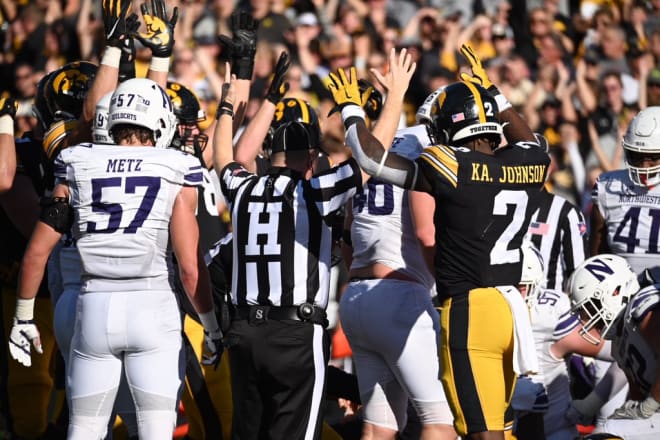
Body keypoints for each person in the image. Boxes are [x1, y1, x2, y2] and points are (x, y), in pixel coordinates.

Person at [329, 44, 550, 439]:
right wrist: (495, 96)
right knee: (496, 424)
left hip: (467, 309)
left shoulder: (447, 164)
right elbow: (530, 141)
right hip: (509, 305)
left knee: (464, 428)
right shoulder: (528, 162)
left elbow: (370, 158)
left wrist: (353, 111)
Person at [7, 77, 222, 440]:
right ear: (160, 121)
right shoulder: (175, 165)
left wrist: (23, 314)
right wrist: (212, 326)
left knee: (85, 428)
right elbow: (189, 266)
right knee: (153, 429)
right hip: (153, 305)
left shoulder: (77, 162)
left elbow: (38, 252)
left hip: (91, 304)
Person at [213, 64, 364, 440]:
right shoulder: (315, 191)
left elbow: (223, 159)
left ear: (270, 154)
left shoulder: (244, 189)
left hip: (244, 330)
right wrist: (354, 111)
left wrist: (227, 110)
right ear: (312, 156)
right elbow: (370, 160)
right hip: (295, 333)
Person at [339, 72, 456, 438]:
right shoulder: (430, 153)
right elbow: (426, 233)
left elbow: (346, 234)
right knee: (441, 423)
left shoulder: (373, 151)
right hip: (400, 294)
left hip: (357, 295)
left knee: (378, 429)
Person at [566, 255, 660, 439]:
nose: (588, 319)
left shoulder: (641, 306)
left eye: (591, 308)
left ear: (615, 292)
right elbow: (638, 393)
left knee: (608, 431)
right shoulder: (620, 340)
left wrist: (652, 403)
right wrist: (636, 411)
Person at [590, 106, 660, 275]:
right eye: (637, 156)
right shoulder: (608, 186)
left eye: (653, 157)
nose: (644, 166)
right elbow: (596, 257)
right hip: (620, 292)